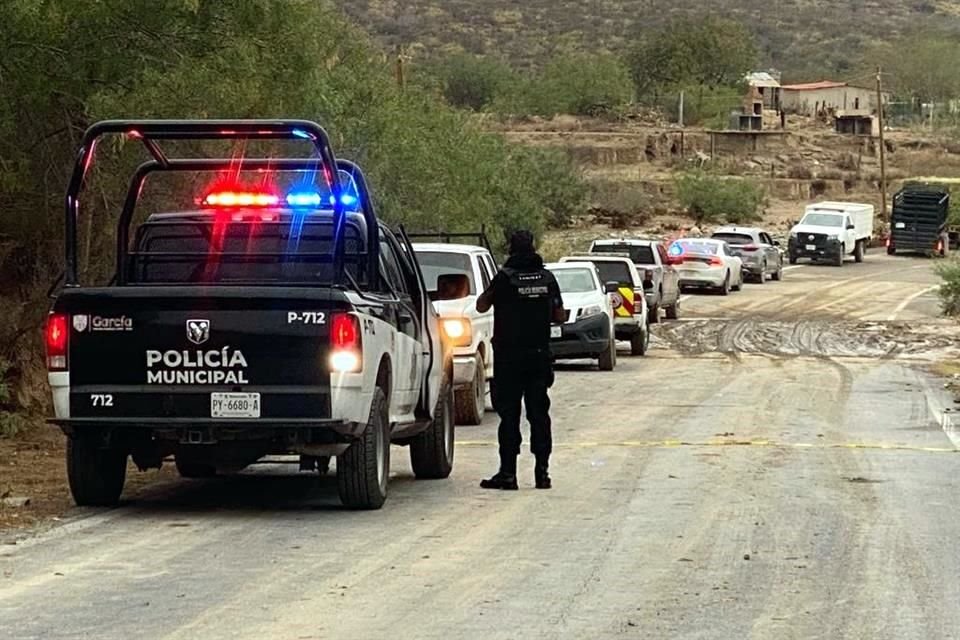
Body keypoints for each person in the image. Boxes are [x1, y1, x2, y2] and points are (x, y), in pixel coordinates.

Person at [475, 229, 565, 490]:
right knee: (539, 414)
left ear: (511, 248)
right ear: (533, 247)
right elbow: (559, 315)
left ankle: (508, 473)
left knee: (509, 415)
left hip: (509, 359)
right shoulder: (547, 278)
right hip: (538, 357)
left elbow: (482, 305)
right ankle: (542, 473)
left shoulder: (505, 278)